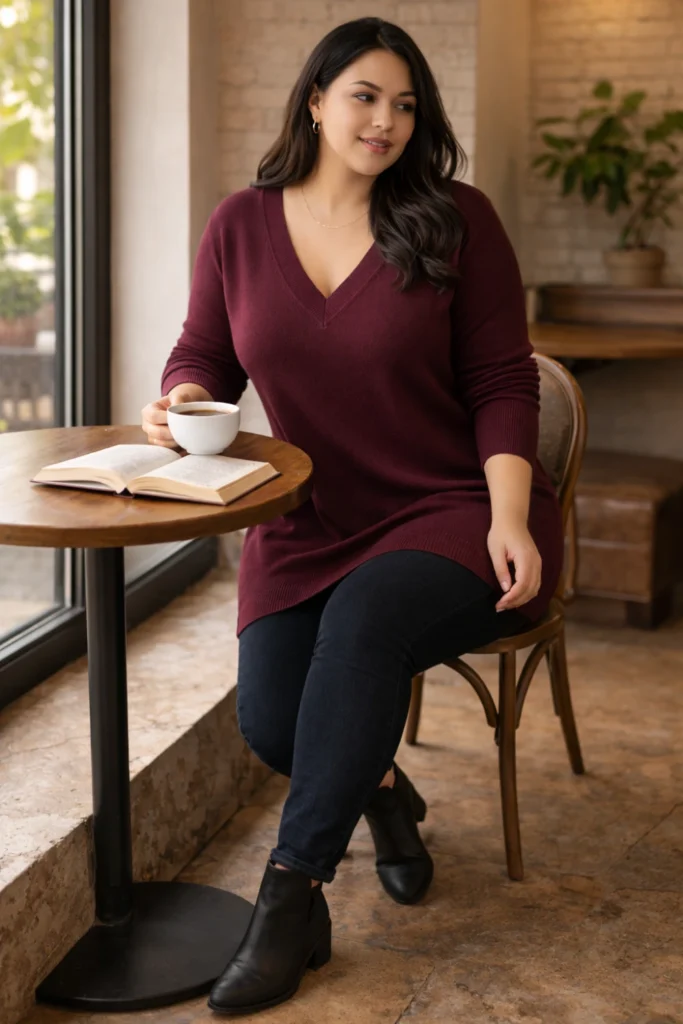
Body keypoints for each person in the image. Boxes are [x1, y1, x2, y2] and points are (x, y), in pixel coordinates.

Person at [141, 16, 564, 1017]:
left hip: (454, 506)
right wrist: (179, 400)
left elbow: (505, 383)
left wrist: (510, 513)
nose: (385, 120)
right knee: (274, 723)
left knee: (365, 624)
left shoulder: (455, 219)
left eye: (405, 104)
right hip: (311, 518)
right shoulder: (239, 226)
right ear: (315, 99)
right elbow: (203, 350)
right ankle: (381, 788)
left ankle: (289, 900)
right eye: (366, 96)